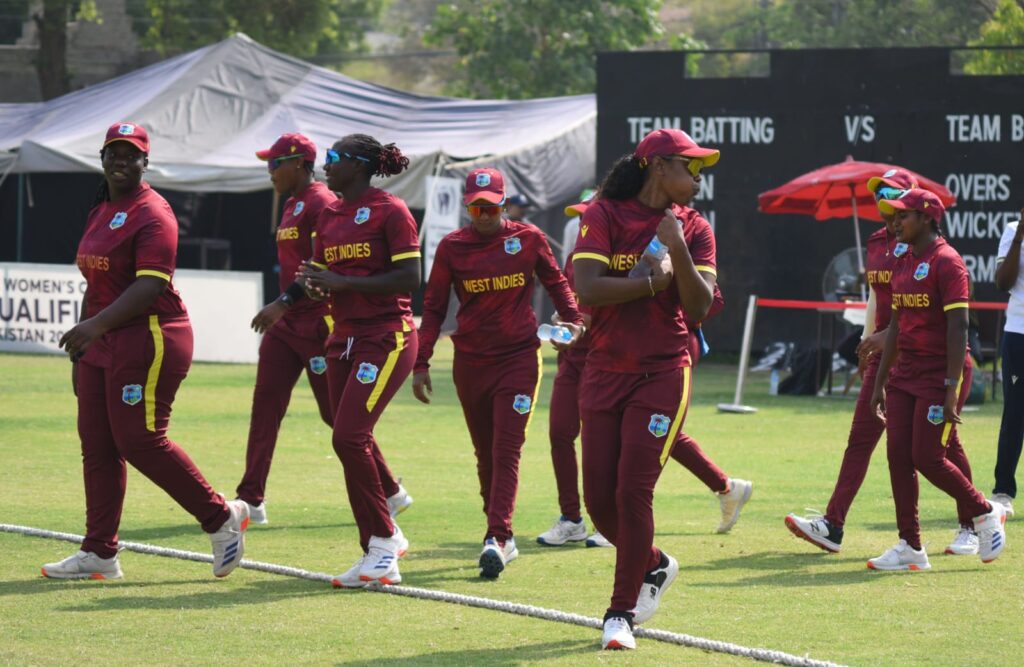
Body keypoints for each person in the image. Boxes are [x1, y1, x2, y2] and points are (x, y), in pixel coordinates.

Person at [43, 122, 249, 580]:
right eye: (113, 152)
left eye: (130, 154)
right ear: (102, 158)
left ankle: (221, 519)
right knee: (97, 444)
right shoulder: (101, 208)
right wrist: (84, 347)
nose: (121, 160)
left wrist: (94, 327)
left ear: (145, 162)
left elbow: (151, 283)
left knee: (139, 439)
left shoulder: (154, 212)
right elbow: (94, 284)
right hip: (106, 338)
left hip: (151, 334)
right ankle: (99, 553)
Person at [572, 128, 719, 650]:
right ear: (658, 166)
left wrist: (675, 246)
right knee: (599, 504)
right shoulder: (604, 215)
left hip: (662, 372)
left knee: (633, 491)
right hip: (605, 371)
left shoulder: (695, 228)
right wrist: (649, 284)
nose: (698, 178)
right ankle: (654, 564)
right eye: (689, 167)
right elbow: (587, 290)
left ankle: (620, 613)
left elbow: (699, 308)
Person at [538, 199, 750, 549]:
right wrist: (570, 323)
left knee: (643, 435)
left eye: (588, 219)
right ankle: (571, 518)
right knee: (561, 432)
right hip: (578, 357)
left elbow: (706, 301)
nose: (584, 227)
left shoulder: (653, 243)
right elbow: (575, 302)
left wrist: (649, 291)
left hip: (627, 360)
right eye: (579, 221)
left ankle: (722, 488)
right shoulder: (579, 256)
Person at [786, 170, 978, 556]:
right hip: (888, 351)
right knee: (864, 437)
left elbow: (937, 319)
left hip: (925, 356)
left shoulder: (929, 249)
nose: (883, 201)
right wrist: (867, 342)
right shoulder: (877, 242)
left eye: (892, 194)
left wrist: (888, 340)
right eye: (879, 194)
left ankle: (973, 522)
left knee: (941, 448)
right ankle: (835, 524)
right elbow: (880, 299)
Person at [413, 167, 584, 579]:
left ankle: (499, 537)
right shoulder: (453, 247)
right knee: (485, 454)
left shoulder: (528, 239)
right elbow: (434, 307)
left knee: (507, 450)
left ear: (504, 205)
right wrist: (420, 362)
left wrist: (574, 320)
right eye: (476, 207)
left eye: (490, 207)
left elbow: (557, 283)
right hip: (470, 363)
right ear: (467, 207)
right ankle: (499, 533)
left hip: (519, 359)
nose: (483, 214)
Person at [297, 134, 420, 588]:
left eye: (333, 158)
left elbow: (410, 276)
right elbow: (325, 274)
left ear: (358, 165)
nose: (326, 165)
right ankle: (375, 546)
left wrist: (340, 282)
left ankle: (386, 542)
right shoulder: (328, 214)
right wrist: (316, 284)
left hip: (386, 337)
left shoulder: (391, 210)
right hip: (343, 337)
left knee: (349, 437)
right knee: (347, 438)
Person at [867, 188, 1007, 571]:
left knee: (927, 457)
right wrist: (880, 382)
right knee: (898, 457)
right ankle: (910, 546)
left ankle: (984, 513)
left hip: (937, 374)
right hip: (904, 374)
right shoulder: (903, 260)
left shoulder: (948, 262)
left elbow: (959, 327)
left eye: (903, 216)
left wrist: (950, 388)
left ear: (927, 218)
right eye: (894, 216)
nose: (895, 222)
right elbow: (895, 326)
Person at [233, 133, 337, 525]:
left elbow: (322, 265)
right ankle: (251, 499)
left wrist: (283, 302)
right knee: (265, 408)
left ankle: (388, 490)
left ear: (299, 163)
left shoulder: (322, 202)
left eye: (275, 163)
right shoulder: (291, 203)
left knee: (336, 417)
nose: (270, 171)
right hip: (286, 327)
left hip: (316, 323)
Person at [992, 207, 1024, 518]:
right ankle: (1003, 491)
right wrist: (1019, 237)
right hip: (1019, 334)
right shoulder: (1014, 230)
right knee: (1015, 415)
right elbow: (1002, 282)